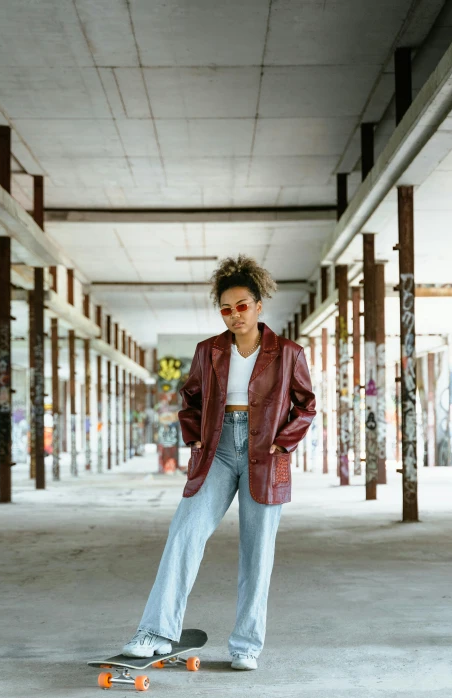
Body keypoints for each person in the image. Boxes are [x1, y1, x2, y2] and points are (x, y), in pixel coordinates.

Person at [122, 255, 316, 670]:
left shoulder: (288, 353)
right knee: (184, 533)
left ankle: (246, 646)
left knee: (257, 551)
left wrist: (283, 445)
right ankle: (155, 632)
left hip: (267, 454)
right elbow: (190, 400)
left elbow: (306, 406)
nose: (234, 315)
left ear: (259, 305)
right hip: (218, 448)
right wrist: (195, 440)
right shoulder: (207, 351)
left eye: (242, 305)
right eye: (226, 309)